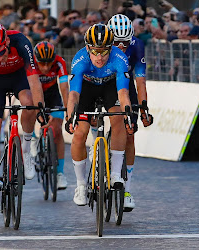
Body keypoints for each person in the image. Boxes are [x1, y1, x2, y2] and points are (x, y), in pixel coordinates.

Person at [0, 21, 45, 212]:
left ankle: (26, 148)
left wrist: (40, 109)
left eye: (1, 52)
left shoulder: (21, 42)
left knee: (30, 102)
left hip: (19, 78)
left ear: (7, 41)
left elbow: (34, 80)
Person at [65, 24, 133, 206]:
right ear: (88, 48)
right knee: (80, 133)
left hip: (110, 87)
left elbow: (123, 94)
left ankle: (116, 174)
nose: (100, 57)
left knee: (118, 119)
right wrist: (70, 116)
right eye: (95, 52)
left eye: (104, 52)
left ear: (111, 48)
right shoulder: (80, 60)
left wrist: (128, 114)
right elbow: (74, 94)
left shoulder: (120, 58)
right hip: (87, 89)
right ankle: (80, 185)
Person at [103, 14, 153, 210]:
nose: (121, 46)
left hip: (125, 85)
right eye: (116, 42)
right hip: (101, 84)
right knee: (92, 118)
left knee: (129, 135)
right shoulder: (101, 43)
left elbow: (140, 80)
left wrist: (143, 107)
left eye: (125, 42)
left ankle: (127, 190)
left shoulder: (137, 45)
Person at [33, 41, 69, 189]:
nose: (46, 67)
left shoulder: (60, 63)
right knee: (35, 115)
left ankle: (59, 173)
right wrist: (38, 112)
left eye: (49, 63)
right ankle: (35, 139)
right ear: (36, 60)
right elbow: (31, 90)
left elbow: (65, 89)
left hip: (53, 94)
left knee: (57, 130)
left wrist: (68, 112)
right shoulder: (31, 64)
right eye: (42, 64)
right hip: (35, 93)